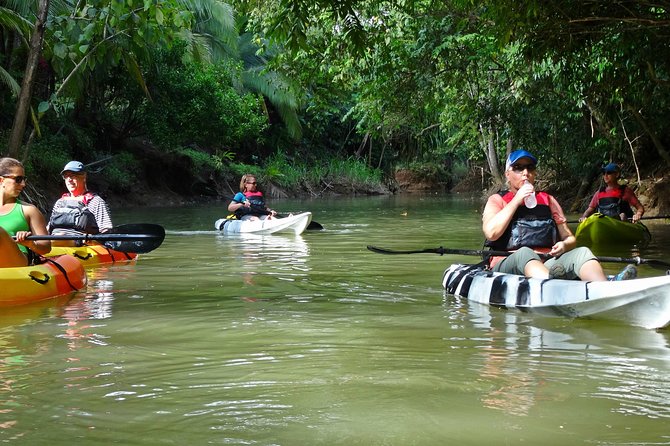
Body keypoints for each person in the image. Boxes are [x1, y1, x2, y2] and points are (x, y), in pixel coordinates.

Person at [482, 149, 636, 281]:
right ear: (508, 174)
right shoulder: (497, 200)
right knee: (525, 253)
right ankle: (553, 285)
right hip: (507, 263)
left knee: (582, 252)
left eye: (530, 168)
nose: (525, 173)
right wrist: (517, 200)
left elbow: (570, 238)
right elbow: (492, 233)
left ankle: (603, 286)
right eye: (518, 168)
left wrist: (564, 245)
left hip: (546, 263)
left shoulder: (548, 200)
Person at [48, 160, 113, 246]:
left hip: (81, 246)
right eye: (66, 176)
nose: (69, 180)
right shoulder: (60, 202)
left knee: (61, 238)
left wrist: (93, 240)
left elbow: (106, 230)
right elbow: (48, 229)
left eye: (73, 175)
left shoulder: (95, 201)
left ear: (84, 177)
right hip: (55, 243)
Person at [0, 157, 51, 267]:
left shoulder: (29, 210)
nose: (23, 184)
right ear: (1, 180)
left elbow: (46, 248)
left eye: (24, 179)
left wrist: (30, 244)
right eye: (18, 179)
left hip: (17, 263)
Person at [579, 162, 645, 223]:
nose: (605, 175)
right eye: (604, 173)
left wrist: (638, 214)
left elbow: (640, 208)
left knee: (622, 216)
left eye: (609, 173)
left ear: (617, 174)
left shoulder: (625, 191)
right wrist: (584, 217)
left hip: (622, 223)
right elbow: (590, 209)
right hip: (604, 223)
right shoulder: (599, 193)